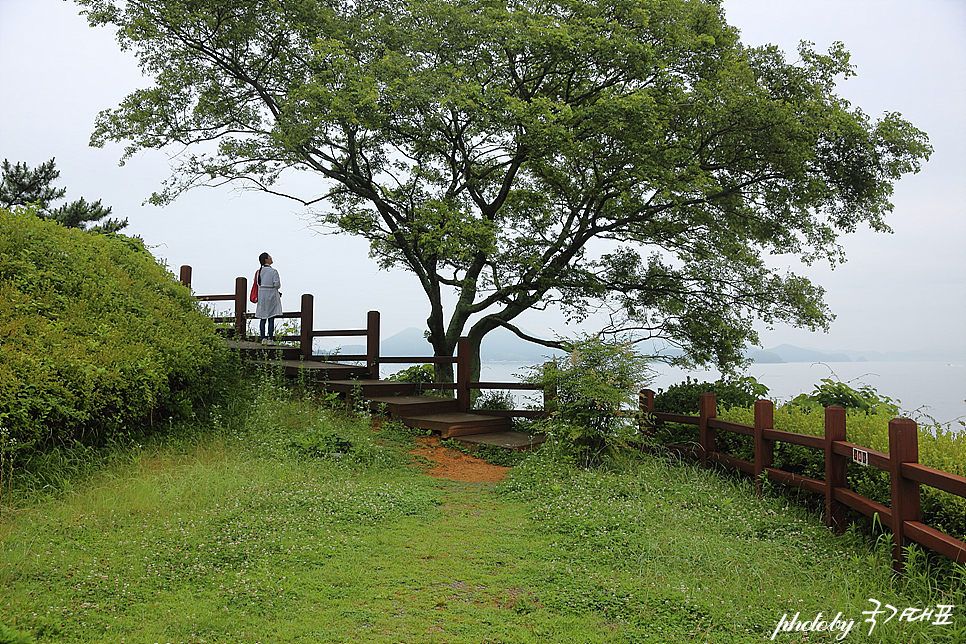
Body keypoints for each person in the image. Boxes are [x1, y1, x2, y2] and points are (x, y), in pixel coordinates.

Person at [254, 252, 282, 344]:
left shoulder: (259, 272)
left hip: (262, 294)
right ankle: (270, 338)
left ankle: (262, 338)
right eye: (269, 257)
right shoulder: (273, 271)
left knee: (263, 317)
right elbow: (277, 285)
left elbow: (258, 284)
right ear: (266, 260)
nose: (271, 258)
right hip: (271, 294)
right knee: (271, 317)